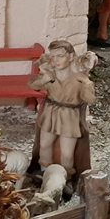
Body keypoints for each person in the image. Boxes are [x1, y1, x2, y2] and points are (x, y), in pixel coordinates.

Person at [29, 40, 95, 173]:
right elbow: (32, 85)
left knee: (67, 153)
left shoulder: (78, 79)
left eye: (60, 56)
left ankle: (65, 177)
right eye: (53, 56)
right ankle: (45, 173)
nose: (56, 60)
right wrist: (42, 81)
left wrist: (87, 84)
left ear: (70, 57)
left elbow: (89, 99)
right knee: (45, 145)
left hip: (69, 117)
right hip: (50, 113)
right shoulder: (50, 74)